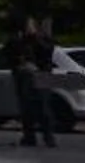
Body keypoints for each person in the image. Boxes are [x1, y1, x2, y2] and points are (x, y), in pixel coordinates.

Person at [12, 14, 58, 149]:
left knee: (44, 108)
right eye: (27, 25)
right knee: (26, 108)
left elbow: (47, 51)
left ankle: (49, 137)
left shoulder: (43, 39)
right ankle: (29, 136)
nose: (28, 27)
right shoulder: (21, 40)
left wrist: (35, 37)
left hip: (42, 75)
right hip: (25, 76)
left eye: (30, 25)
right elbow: (12, 52)